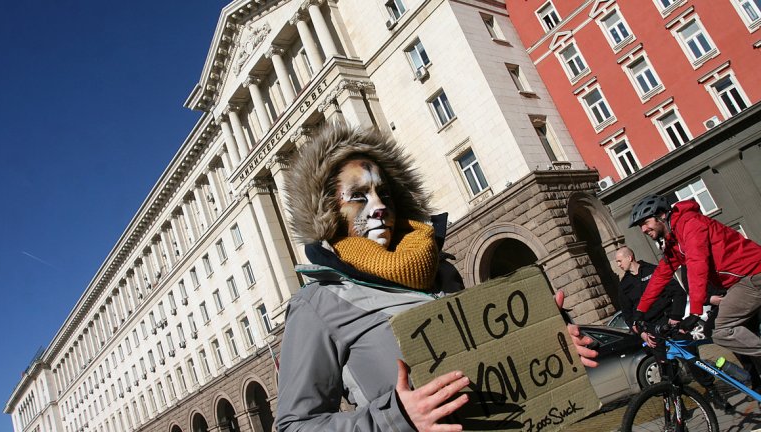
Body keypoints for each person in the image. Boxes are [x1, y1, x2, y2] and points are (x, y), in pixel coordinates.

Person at [275, 123, 597, 432]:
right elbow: (295, 425)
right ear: (328, 212)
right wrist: (396, 419)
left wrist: (550, 343)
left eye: (384, 193)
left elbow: (488, 364)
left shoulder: (441, 270)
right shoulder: (317, 305)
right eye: (359, 196)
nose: (379, 206)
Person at [628, 195, 761, 370]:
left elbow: (697, 264)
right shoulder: (673, 240)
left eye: (646, 222)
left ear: (661, 215)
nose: (644, 229)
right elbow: (661, 275)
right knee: (720, 330)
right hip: (738, 283)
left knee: (718, 330)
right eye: (640, 226)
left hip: (753, 276)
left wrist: (695, 312)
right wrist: (640, 311)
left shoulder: (690, 223)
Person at [615, 246, 728, 409]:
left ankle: (712, 392)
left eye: (619, 261)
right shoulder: (624, 285)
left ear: (629, 257)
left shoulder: (654, 271)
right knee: (667, 372)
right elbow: (628, 315)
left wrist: (675, 317)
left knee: (692, 360)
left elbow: (679, 293)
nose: (618, 264)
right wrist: (642, 333)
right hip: (652, 331)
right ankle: (678, 409)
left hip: (670, 323)